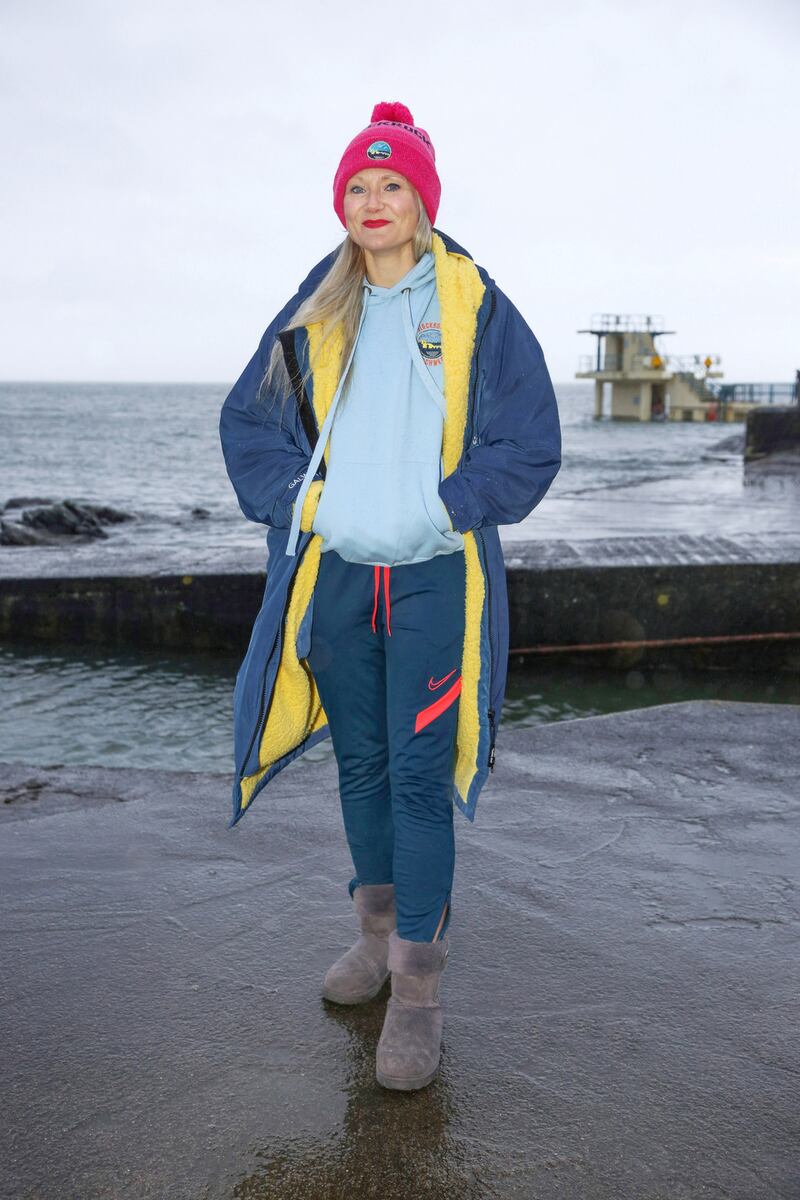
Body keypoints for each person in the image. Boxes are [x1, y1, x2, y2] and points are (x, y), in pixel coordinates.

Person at [218, 101, 562, 1091]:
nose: (373, 202)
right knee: (359, 768)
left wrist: (442, 508)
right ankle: (372, 937)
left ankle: (416, 988)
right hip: (333, 580)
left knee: (416, 778)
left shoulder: (471, 306)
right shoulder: (313, 310)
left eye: (391, 186)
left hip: (430, 579)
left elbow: (528, 443)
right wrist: (306, 503)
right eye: (358, 188)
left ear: (421, 201)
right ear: (343, 205)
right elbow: (249, 428)